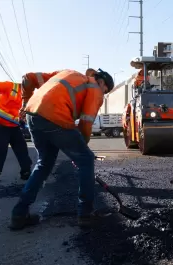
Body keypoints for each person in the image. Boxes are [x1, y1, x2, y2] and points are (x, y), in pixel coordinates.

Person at [10, 69, 114, 231]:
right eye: (105, 90)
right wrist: (80, 151)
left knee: (44, 163)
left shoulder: (67, 73)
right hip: (55, 115)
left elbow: (28, 78)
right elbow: (86, 124)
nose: (103, 93)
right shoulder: (95, 88)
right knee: (86, 159)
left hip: (33, 114)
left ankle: (19, 214)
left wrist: (25, 103)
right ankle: (85, 214)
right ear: (101, 82)